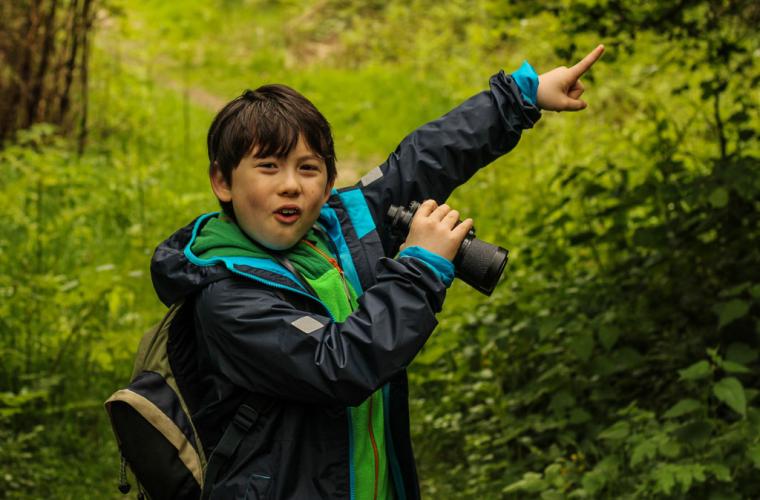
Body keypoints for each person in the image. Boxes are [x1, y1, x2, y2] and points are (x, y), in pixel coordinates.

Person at [150, 45, 604, 499]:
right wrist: (420, 269)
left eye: (307, 168)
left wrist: (520, 96)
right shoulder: (225, 295)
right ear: (223, 181)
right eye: (268, 167)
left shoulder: (337, 227)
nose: (290, 184)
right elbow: (338, 363)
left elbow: (423, 159)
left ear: (328, 184)